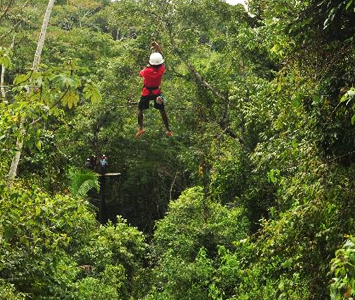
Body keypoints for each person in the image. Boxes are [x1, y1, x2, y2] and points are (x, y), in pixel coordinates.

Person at [136, 41, 173, 138]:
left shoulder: (146, 71)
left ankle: (140, 128)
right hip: (156, 91)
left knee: (140, 109)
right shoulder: (161, 69)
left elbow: (140, 74)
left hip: (146, 92)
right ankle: (168, 130)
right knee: (162, 110)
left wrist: (147, 66)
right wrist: (157, 47)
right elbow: (161, 58)